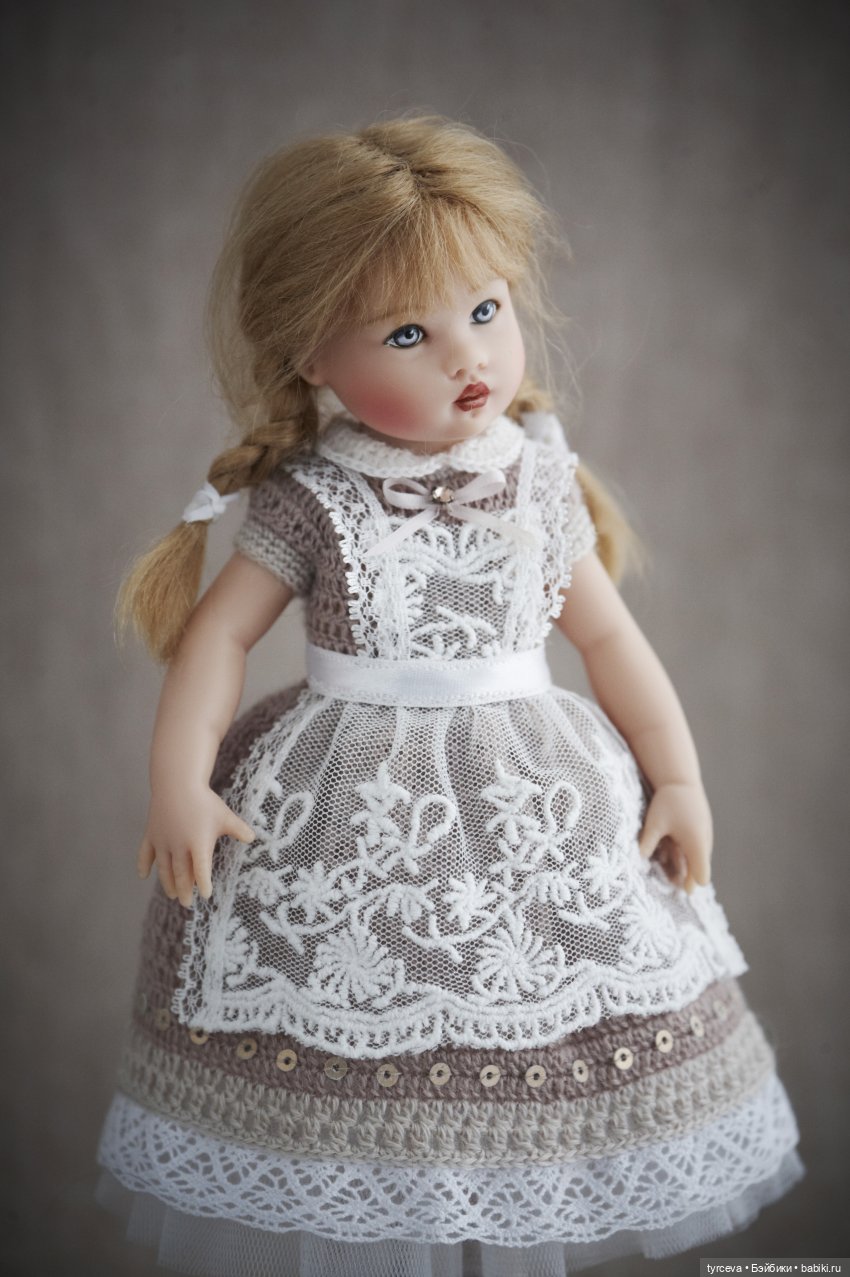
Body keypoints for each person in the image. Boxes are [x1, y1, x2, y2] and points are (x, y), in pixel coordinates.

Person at [95, 115, 803, 1277]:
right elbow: (218, 636)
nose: (466, 356)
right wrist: (179, 779)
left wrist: (675, 774)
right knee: (370, 1071)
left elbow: (606, 634)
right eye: (407, 334)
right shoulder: (312, 495)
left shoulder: (537, 475)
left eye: (485, 310)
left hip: (536, 805)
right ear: (314, 358)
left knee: (533, 1041)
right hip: (349, 814)